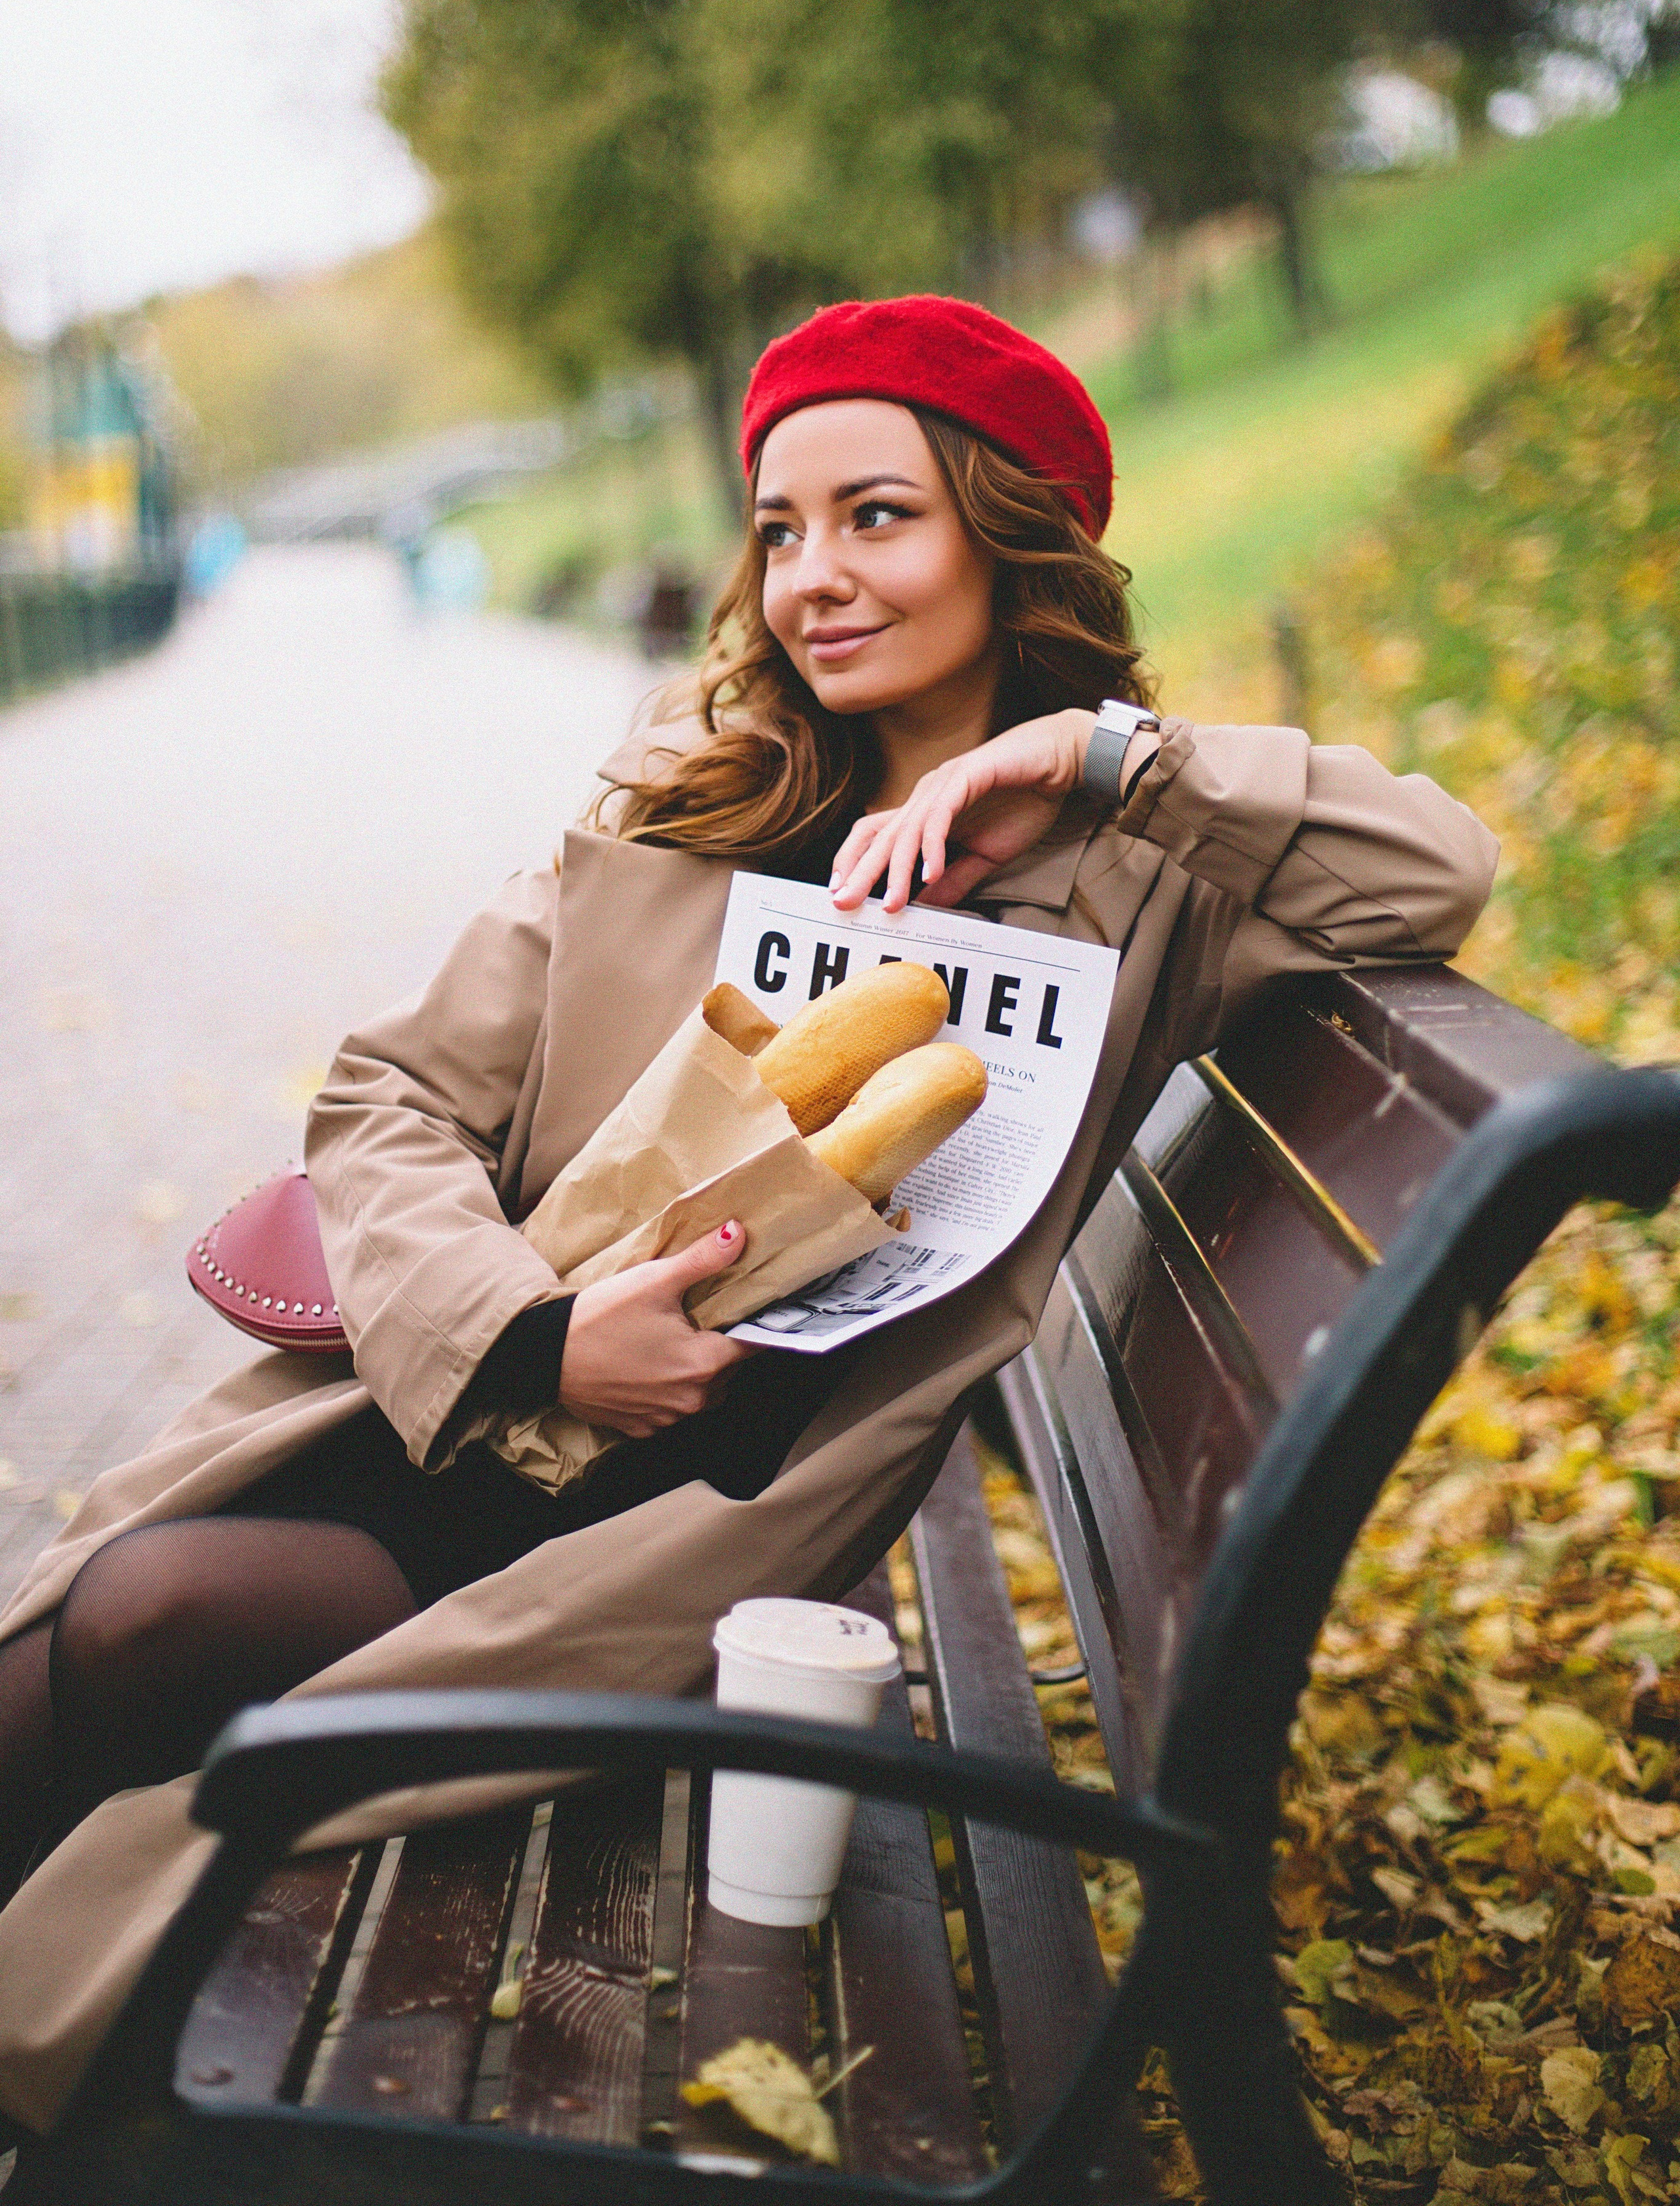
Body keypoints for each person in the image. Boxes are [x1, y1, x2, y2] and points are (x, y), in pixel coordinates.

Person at [0, 294, 1498, 2132]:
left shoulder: (1144, 879)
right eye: (781, 530)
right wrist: (540, 1334)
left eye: (878, 516)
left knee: (146, 1625)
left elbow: (1439, 868)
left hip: (671, 1523)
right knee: (76, 1647)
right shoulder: (688, 790)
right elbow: (391, 1093)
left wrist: (1102, 758)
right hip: (465, 1389)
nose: (811, 578)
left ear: (1010, 539)